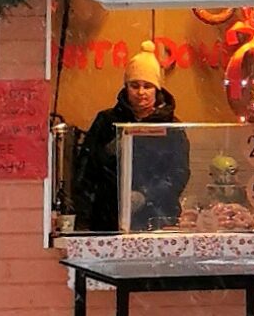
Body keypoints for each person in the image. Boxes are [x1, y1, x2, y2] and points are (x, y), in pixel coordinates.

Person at [71, 48, 189, 232]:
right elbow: (86, 171)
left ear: (157, 90)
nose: (141, 92)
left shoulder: (172, 128)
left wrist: (146, 195)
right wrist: (83, 217)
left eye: (147, 86)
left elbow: (178, 174)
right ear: (126, 87)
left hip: (157, 217)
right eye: (134, 85)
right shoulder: (106, 122)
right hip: (108, 219)